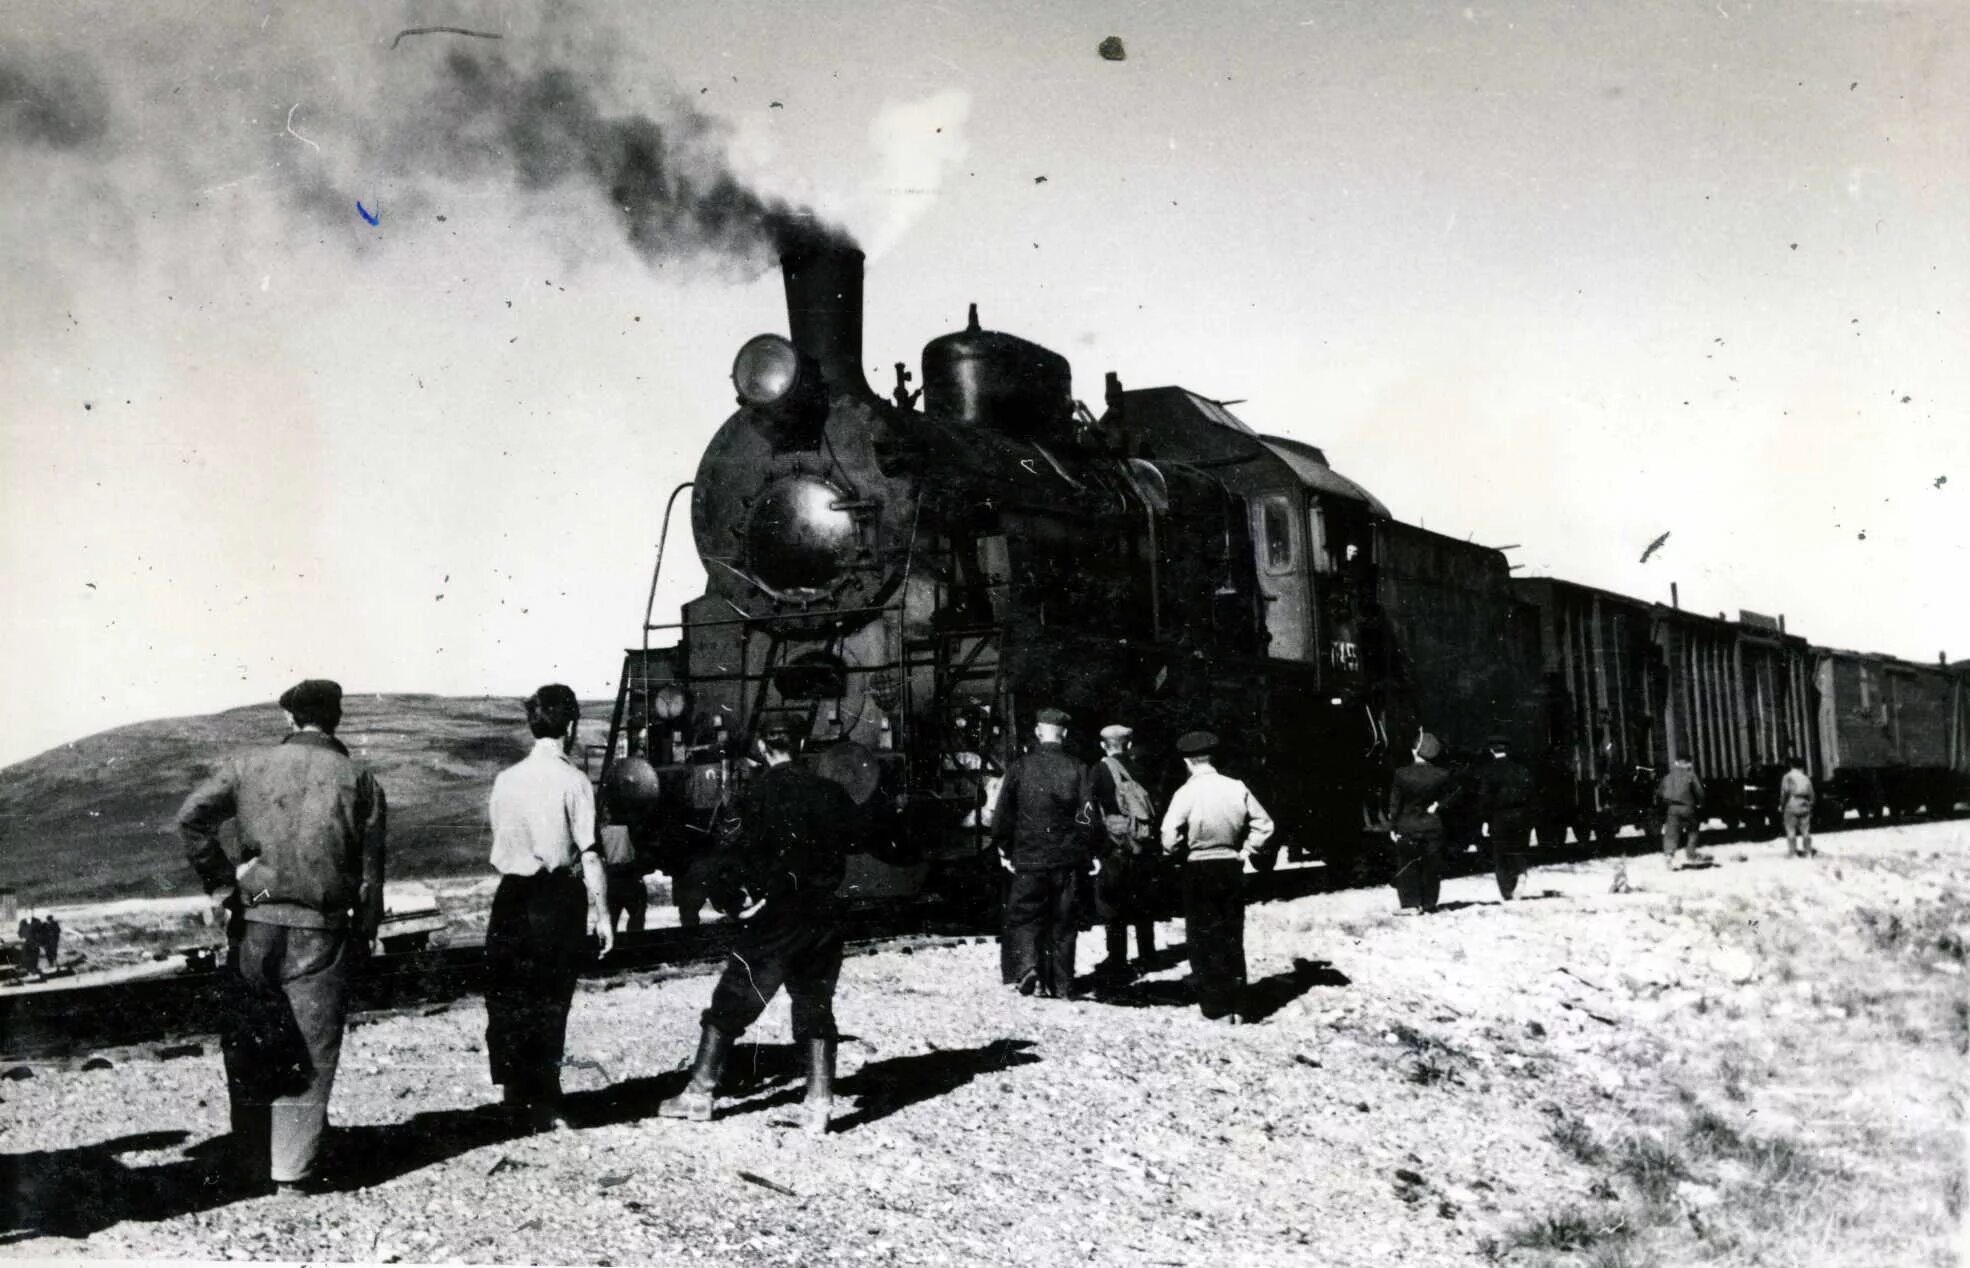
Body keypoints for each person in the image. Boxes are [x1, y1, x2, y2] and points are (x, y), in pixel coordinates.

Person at [176, 678, 386, 1194]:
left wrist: (225, 886)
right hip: (322, 926)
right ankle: (291, 1171)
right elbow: (370, 876)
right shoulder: (360, 779)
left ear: (288, 719)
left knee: (251, 1040)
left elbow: (192, 819)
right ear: (335, 719)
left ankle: (250, 1161)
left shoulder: (249, 766)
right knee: (313, 1049)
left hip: (260, 914)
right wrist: (365, 931)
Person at [659, 724, 859, 1135]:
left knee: (734, 995)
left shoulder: (755, 795)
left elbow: (729, 858)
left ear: (764, 750)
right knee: (815, 1005)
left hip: (777, 914)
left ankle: (699, 1092)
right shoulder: (832, 793)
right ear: (801, 745)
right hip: (823, 915)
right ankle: (819, 1106)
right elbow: (856, 841)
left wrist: (734, 902)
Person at [485, 684, 614, 1132]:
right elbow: (591, 853)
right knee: (550, 999)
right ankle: (546, 1101)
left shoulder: (506, 779)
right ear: (572, 726)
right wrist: (603, 914)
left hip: (509, 899)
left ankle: (512, 1097)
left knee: (507, 998)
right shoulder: (574, 781)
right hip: (554, 900)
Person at [1160, 730, 1274, 1023]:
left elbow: (1168, 835)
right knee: (1230, 934)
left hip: (1198, 869)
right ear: (1212, 757)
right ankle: (1238, 1004)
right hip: (1231, 867)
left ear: (1187, 761)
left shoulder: (1185, 793)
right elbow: (1264, 825)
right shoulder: (1236, 787)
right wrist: (1247, 850)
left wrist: (1176, 853)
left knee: (1202, 939)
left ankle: (1215, 1007)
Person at [990, 707, 1099, 999]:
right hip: (1067, 858)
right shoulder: (1078, 767)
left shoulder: (1020, 767)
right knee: (1064, 922)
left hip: (1028, 856)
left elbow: (1003, 814)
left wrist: (1004, 847)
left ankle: (1028, 969)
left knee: (1025, 916)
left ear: (1038, 733)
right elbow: (1087, 814)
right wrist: (1085, 846)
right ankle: (1062, 985)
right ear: (1065, 734)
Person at [1091, 723, 1161, 979]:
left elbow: (1088, 810)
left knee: (1114, 903)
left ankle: (1117, 958)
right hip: (1142, 843)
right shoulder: (1143, 769)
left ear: (1103, 745)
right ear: (1129, 745)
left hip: (1115, 844)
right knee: (1143, 902)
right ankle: (1148, 955)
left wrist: (1093, 842)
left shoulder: (1099, 770)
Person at [1387, 731, 1452, 913]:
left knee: (1408, 866)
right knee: (1432, 867)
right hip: (1433, 826)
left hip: (1408, 826)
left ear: (1415, 750)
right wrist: (1438, 806)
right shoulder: (1442, 775)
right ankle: (1429, 903)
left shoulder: (1402, 774)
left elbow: (1395, 804)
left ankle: (1410, 905)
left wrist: (1393, 826)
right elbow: (1454, 795)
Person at [1473, 735, 1534, 900]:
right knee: (1518, 849)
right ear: (1507, 749)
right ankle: (1521, 873)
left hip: (1499, 817)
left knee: (1500, 855)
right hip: (1521, 815)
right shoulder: (1522, 769)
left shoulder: (1488, 771)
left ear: (1491, 750)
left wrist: (1484, 820)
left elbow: (1485, 798)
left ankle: (1507, 891)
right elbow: (1530, 795)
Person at [1657, 756, 1706, 870]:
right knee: (1693, 829)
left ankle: (1669, 855)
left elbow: (1660, 793)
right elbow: (1700, 792)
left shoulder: (1668, 776)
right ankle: (1691, 854)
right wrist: (1701, 803)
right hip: (1688, 807)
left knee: (1671, 833)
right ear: (1688, 763)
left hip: (1672, 809)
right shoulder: (1690, 775)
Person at [1779, 756, 1817, 858]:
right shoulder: (1806, 778)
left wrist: (1782, 805)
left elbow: (1784, 793)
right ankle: (1808, 852)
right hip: (1804, 804)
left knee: (1791, 829)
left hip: (1792, 803)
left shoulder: (1787, 777)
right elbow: (1812, 794)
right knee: (1805, 830)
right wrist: (1810, 805)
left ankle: (1793, 853)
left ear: (1791, 765)